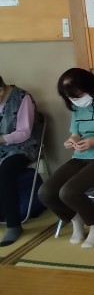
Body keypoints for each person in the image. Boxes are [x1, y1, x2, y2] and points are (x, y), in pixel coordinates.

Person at [38, 68, 94, 248]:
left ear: (91, 86)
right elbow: (76, 133)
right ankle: (76, 219)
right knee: (46, 192)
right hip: (83, 155)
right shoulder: (75, 105)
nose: (76, 100)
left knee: (69, 191)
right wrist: (73, 140)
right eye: (71, 98)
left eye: (79, 95)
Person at [0, 76, 39, 246]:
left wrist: (2, 139)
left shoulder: (23, 98)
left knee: (5, 172)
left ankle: (13, 224)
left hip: (22, 147)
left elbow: (24, 132)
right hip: (2, 147)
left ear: (1, 90)